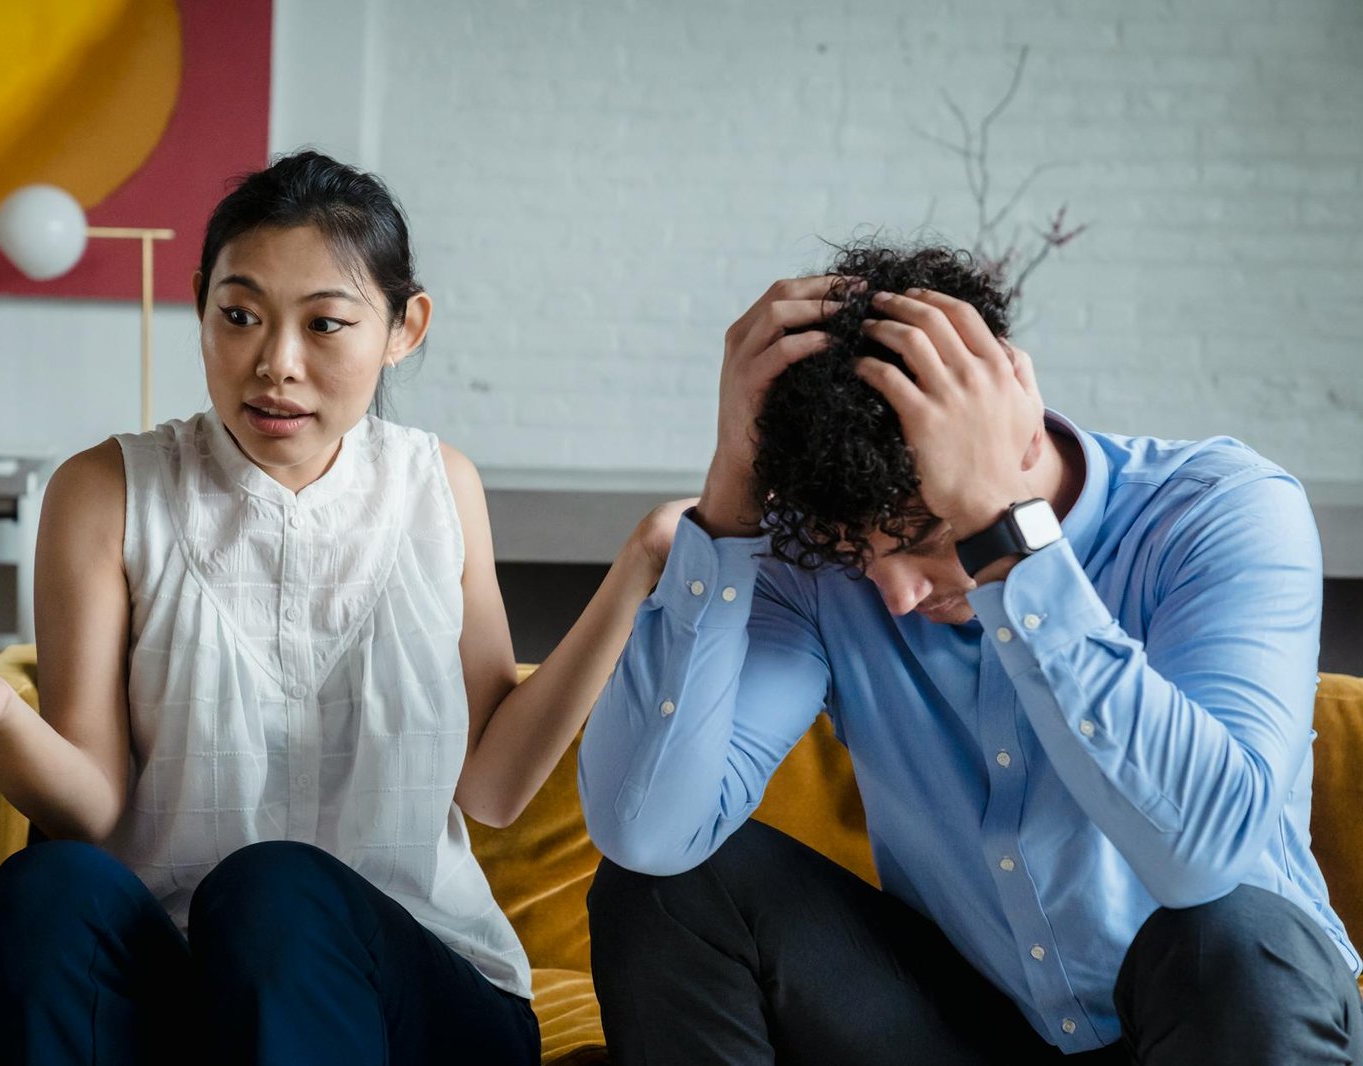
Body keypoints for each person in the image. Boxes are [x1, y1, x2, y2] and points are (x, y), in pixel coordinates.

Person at [0, 151, 684, 1066]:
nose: (274, 366)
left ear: (405, 326)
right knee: (46, 885)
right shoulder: (107, 490)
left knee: (276, 889)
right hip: (186, 984)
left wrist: (637, 571)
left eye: (326, 324)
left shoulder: (438, 486)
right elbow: (95, 815)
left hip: (413, 992)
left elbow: (491, 789)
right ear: (200, 303)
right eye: (240, 316)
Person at [578, 243, 1363, 1064]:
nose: (895, 595)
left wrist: (1005, 539)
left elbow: (1204, 862)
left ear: (1020, 436)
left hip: (1217, 1021)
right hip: (980, 1029)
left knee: (1230, 937)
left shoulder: (1218, 511)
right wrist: (731, 500)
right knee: (669, 889)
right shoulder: (820, 568)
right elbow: (648, 832)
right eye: (858, 556)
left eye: (925, 537)